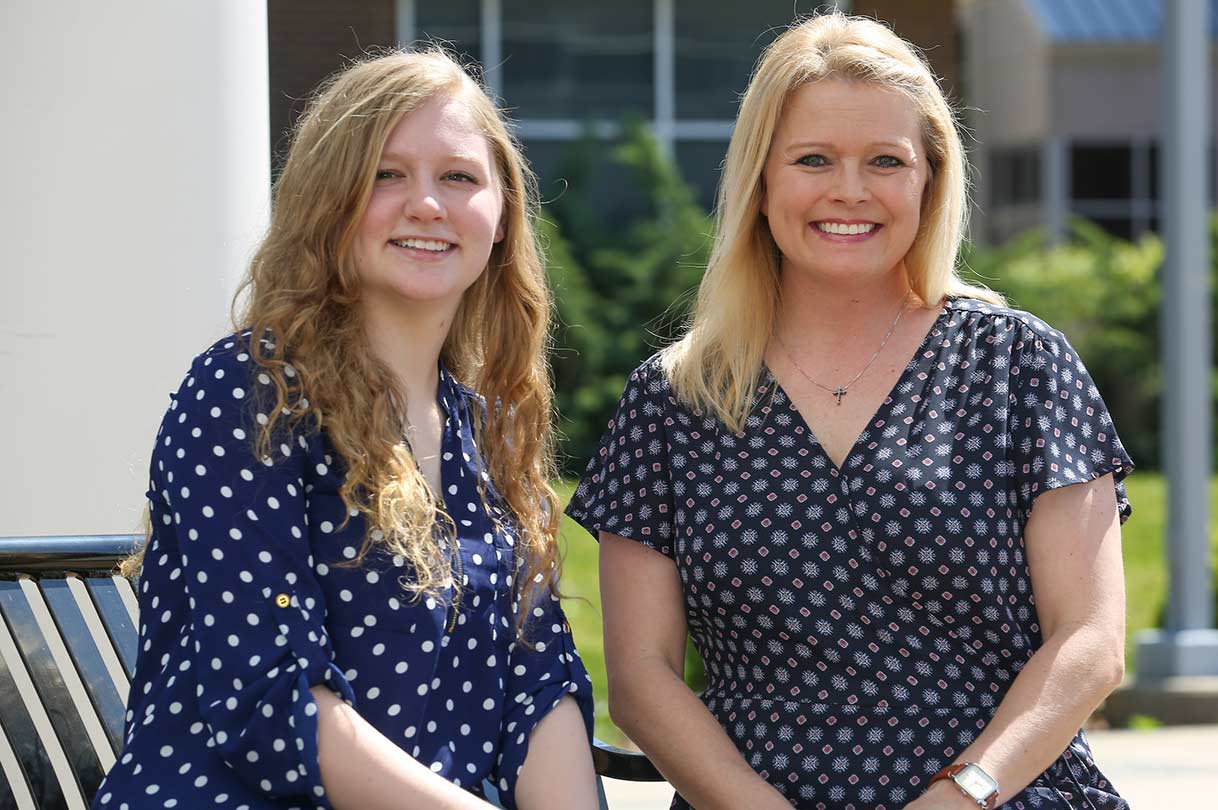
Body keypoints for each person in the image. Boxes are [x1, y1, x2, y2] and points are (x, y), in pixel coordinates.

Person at [566, 12, 1133, 810]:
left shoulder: (1020, 366)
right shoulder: (674, 400)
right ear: (760, 181)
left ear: (929, 179)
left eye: (885, 161)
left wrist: (960, 796)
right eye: (813, 159)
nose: (849, 191)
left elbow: (1089, 643)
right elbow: (642, 678)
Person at [94, 49, 596, 810]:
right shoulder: (249, 396)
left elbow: (539, 689)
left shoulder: (487, 435)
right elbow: (271, 700)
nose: (426, 203)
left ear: (501, 221)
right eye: (385, 175)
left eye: (458, 177)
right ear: (328, 205)